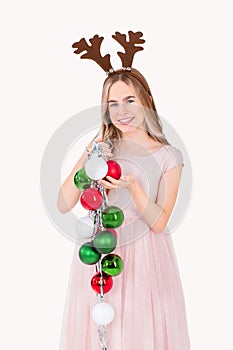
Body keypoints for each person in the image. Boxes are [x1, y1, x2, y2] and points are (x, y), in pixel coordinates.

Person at [57, 68, 191, 349]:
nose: (122, 111)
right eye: (113, 104)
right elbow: (63, 202)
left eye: (130, 100)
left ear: (147, 100)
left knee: (138, 330)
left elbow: (159, 222)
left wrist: (134, 190)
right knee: (103, 332)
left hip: (145, 258)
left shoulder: (168, 156)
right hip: (100, 254)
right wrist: (89, 151)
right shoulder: (101, 152)